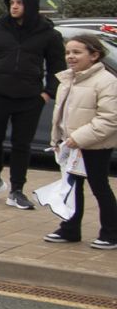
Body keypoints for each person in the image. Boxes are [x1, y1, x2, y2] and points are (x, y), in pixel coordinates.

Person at [0, 0, 65, 209]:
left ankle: (17, 190)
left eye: (19, 3)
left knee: (22, 145)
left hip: (30, 98)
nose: (14, 6)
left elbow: (57, 67)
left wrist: (47, 93)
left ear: (30, 5)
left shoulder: (49, 34)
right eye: (11, 2)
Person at [43, 34, 117, 248]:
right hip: (70, 144)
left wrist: (79, 137)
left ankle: (111, 234)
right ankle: (70, 229)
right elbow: (62, 113)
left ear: (94, 55)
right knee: (71, 189)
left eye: (77, 52)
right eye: (68, 52)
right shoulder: (68, 79)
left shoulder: (107, 82)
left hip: (94, 145)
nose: (70, 57)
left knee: (99, 186)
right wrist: (58, 139)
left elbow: (110, 118)